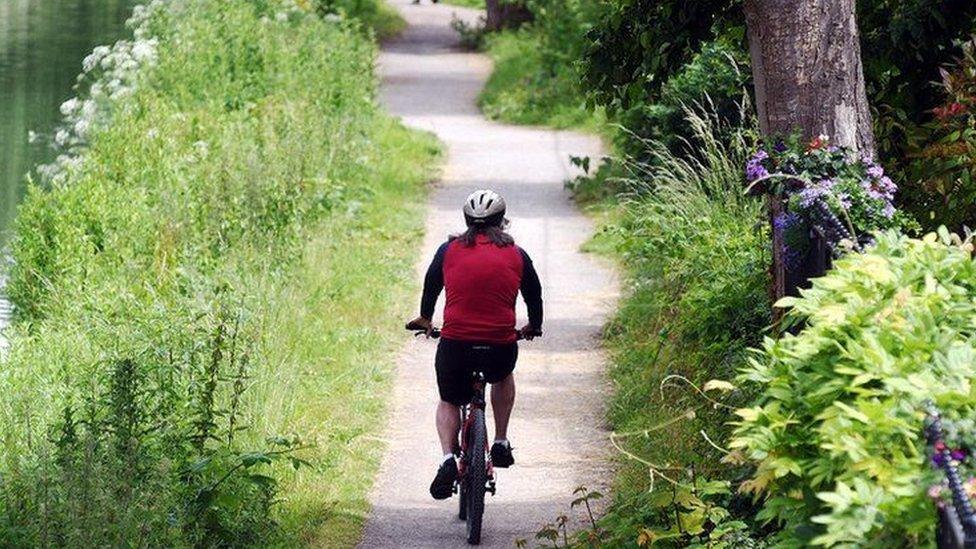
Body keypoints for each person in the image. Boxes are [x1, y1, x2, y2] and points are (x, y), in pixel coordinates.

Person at [407, 189, 543, 500]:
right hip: (500, 346)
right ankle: (500, 440)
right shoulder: (518, 255)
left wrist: (426, 319)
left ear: (467, 220)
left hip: (456, 345)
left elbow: (431, 286)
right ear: (502, 220)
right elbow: (534, 296)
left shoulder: (448, 250)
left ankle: (446, 459)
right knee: (503, 376)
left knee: (449, 399)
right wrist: (533, 326)